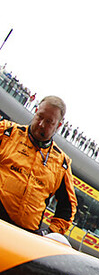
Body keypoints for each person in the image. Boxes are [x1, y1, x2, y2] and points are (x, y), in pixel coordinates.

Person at [0, 95, 77, 235]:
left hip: (26, 236)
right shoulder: (7, 132)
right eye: (40, 116)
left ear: (58, 126)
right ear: (36, 111)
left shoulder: (62, 163)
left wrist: (49, 233)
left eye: (49, 122)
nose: (41, 124)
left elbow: (68, 208)